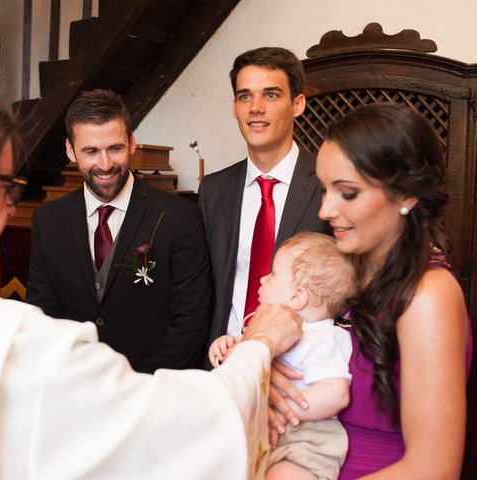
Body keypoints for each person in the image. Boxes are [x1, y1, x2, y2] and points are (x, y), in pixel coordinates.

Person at [0, 78, 305, 479]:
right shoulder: (4, 344)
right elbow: (179, 426)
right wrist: (260, 344)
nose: (8, 207)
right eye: (5, 187)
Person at [271, 103, 473, 478]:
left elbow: (433, 469)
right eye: (324, 189)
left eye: (347, 193)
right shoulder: (344, 270)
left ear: (406, 196)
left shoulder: (427, 296)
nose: (326, 209)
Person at [26, 89, 212, 373]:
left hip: (153, 390)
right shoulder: (47, 220)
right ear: (70, 151)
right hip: (74, 387)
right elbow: (42, 316)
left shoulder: (180, 217)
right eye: (91, 151)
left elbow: (191, 320)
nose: (105, 164)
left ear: (132, 143)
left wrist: (141, 388)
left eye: (115, 148)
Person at [198, 47, 330, 366]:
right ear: (234, 107)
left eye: (270, 95)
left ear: (297, 104)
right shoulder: (213, 190)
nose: (256, 108)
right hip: (222, 361)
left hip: (301, 369)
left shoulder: (330, 184)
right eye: (245, 97)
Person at [210, 232, 356, 480]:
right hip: (256, 431)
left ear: (298, 297)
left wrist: (281, 410)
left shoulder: (324, 337)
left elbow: (335, 394)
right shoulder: (264, 324)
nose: (263, 278)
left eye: (274, 273)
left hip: (304, 437)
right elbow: (247, 355)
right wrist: (227, 345)